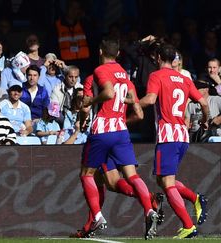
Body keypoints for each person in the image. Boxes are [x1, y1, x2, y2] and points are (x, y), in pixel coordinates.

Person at [80, 39, 159, 239]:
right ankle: (149, 207)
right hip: (121, 131)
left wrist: (89, 105)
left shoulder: (97, 73)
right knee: (126, 177)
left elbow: (101, 96)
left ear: (100, 51)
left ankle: (97, 217)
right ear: (117, 54)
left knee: (87, 174)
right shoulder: (125, 75)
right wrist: (122, 115)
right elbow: (138, 111)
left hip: (102, 130)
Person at [139, 43, 209, 239]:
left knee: (167, 183)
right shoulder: (184, 78)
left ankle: (188, 226)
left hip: (168, 135)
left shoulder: (157, 76)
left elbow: (151, 99)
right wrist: (204, 121)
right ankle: (195, 199)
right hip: (182, 136)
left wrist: (130, 104)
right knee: (163, 180)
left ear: (159, 58)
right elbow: (203, 103)